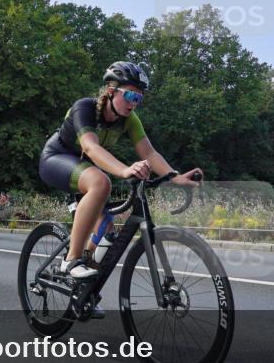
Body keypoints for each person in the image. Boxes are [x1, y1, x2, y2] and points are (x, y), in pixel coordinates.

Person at [38, 61, 202, 316]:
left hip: (85, 168)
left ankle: (82, 292)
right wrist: (125, 170)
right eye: (130, 95)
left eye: (139, 97)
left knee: (106, 229)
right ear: (111, 89)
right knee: (101, 182)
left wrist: (176, 177)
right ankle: (70, 261)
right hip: (56, 159)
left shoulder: (129, 120)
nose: (134, 102)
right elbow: (91, 148)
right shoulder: (85, 108)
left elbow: (148, 152)